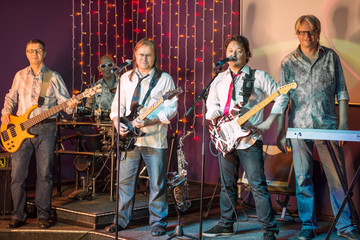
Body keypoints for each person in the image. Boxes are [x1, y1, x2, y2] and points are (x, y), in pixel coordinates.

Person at [277, 15, 360, 240]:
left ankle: (345, 226)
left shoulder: (331, 57)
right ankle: (308, 226)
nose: (307, 36)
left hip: (328, 126)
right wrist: (280, 132)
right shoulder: (288, 62)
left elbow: (342, 92)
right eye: (302, 32)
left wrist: (343, 125)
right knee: (303, 178)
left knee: (338, 178)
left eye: (311, 31)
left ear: (318, 32)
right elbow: (282, 100)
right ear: (297, 34)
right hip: (298, 128)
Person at [204, 35, 288, 240]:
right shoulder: (219, 79)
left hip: (249, 139)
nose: (233, 54)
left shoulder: (258, 76)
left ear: (247, 54)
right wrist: (219, 121)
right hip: (225, 137)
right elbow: (211, 105)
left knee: (257, 185)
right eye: (230, 50)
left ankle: (269, 230)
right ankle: (226, 224)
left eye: (239, 50)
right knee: (227, 184)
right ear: (225, 54)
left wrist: (268, 122)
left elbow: (282, 96)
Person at [1, 39, 78, 229]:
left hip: (46, 128)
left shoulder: (53, 77)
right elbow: (11, 98)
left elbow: (65, 106)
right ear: (26, 53)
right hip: (19, 130)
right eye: (31, 51)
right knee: (17, 176)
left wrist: (72, 105)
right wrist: (5, 113)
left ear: (44, 53)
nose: (34, 54)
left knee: (45, 174)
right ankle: (18, 215)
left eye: (38, 50)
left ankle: (44, 215)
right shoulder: (19, 75)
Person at [106, 38, 178, 236]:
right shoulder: (125, 78)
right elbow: (116, 108)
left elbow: (171, 109)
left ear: (155, 57)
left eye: (149, 55)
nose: (144, 59)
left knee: (157, 183)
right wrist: (117, 124)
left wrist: (150, 121)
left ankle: (158, 223)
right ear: (135, 56)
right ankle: (121, 221)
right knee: (125, 182)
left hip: (154, 139)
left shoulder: (165, 80)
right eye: (141, 55)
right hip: (129, 139)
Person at [86, 54, 118, 119]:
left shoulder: (124, 83)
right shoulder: (95, 87)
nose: (107, 68)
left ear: (114, 65)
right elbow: (89, 111)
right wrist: (90, 101)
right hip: (103, 126)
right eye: (103, 66)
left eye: (110, 65)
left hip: (123, 125)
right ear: (99, 69)